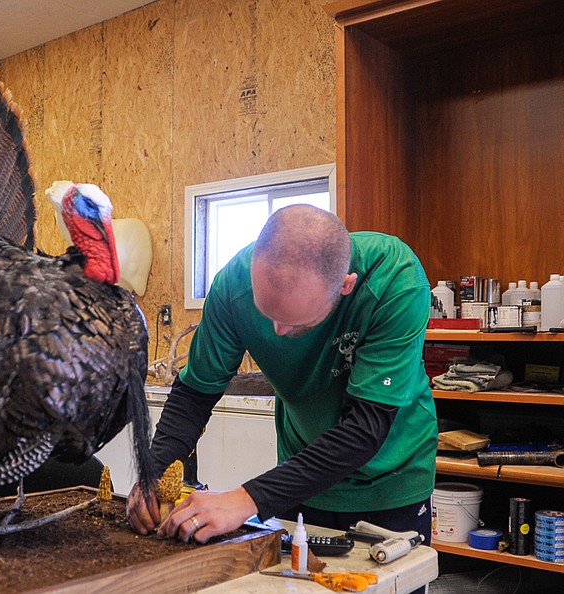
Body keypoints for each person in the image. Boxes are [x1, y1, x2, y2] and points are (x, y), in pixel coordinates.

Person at [127, 204, 438, 550]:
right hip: (300, 475)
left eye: (296, 321)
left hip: (390, 480)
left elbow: (364, 428)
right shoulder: (233, 287)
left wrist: (245, 500)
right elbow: (194, 394)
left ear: (345, 286)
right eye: (267, 313)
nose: (277, 330)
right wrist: (153, 469)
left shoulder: (395, 278)